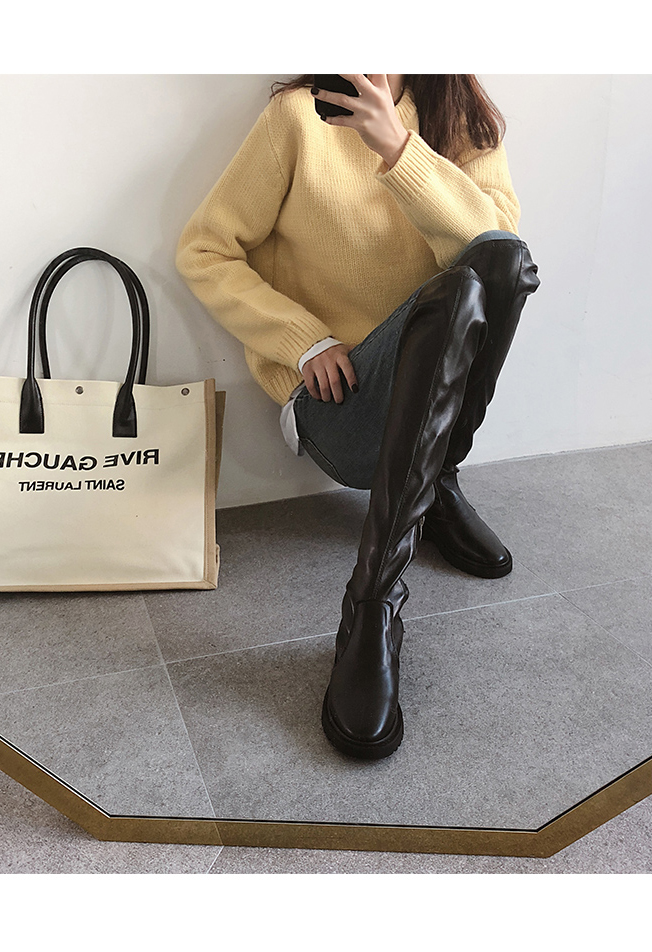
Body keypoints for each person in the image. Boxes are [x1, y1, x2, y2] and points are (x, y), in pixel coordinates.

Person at [176, 74, 539, 761]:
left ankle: (397, 550)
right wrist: (301, 338)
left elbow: (500, 257)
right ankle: (372, 605)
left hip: (430, 400)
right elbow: (205, 248)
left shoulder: (462, 120)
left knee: (489, 272)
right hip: (337, 403)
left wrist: (398, 148)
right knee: (460, 291)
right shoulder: (298, 119)